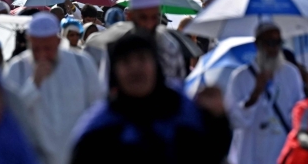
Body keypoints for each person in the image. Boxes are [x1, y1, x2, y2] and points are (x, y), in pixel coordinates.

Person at [70, 32, 232, 164]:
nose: (135, 68)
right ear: (114, 71)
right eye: (126, 61)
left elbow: (215, 153)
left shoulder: (184, 110)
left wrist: (217, 118)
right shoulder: (99, 129)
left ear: (156, 63)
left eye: (142, 58)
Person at [3, 12, 104, 164]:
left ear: (58, 41)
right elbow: (10, 118)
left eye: (48, 48)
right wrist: (33, 84)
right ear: (29, 42)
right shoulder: (17, 69)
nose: (43, 55)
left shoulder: (82, 64)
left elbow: (97, 111)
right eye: (37, 49)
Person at [225, 22, 305, 164]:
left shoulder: (291, 73)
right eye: (269, 42)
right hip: (250, 151)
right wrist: (255, 94)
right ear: (258, 44)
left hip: (282, 150)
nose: (274, 48)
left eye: (278, 42)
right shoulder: (240, 77)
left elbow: (299, 112)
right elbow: (235, 119)